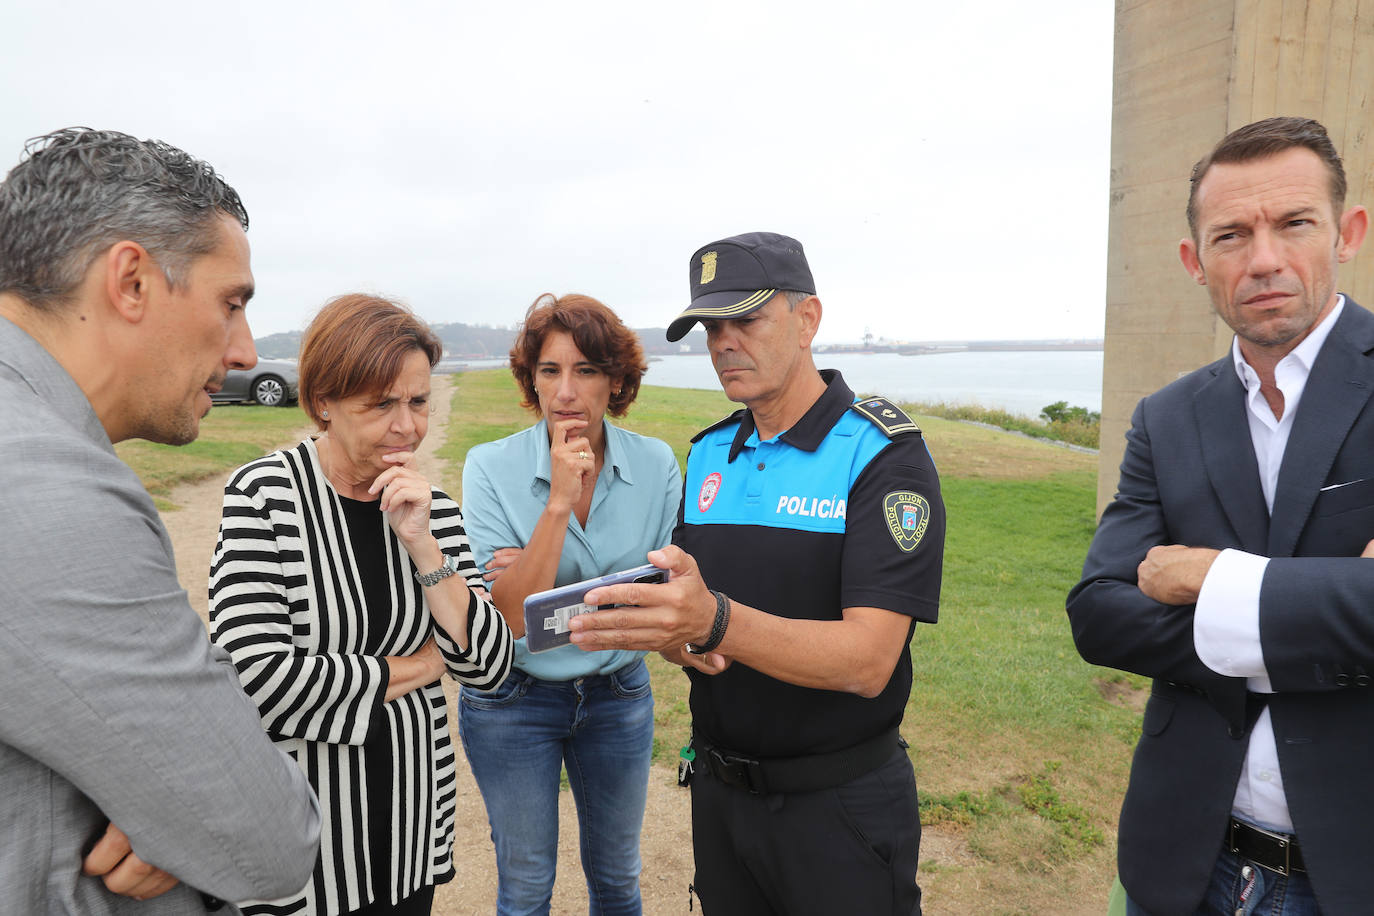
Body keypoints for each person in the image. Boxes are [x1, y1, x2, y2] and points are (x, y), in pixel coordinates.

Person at [565, 232, 945, 915]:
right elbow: (695, 610)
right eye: (712, 326)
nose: (723, 343)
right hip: (720, 801)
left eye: (747, 320)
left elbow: (868, 661)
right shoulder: (711, 454)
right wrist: (677, 637)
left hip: (839, 810)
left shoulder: (883, 455)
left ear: (808, 321)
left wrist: (715, 623)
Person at [0, 128, 320, 913]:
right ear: (132, 281)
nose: (246, 351)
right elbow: (267, 840)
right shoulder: (42, 484)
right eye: (231, 303)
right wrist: (183, 821)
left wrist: (170, 812)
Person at [1067, 116, 1374, 914]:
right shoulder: (1166, 418)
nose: (1263, 259)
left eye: (1294, 224)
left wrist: (1208, 579)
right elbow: (1100, 615)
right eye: (1231, 235)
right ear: (1194, 261)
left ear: (1348, 232)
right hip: (1185, 863)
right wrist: (1335, 612)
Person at [208, 294, 514, 916]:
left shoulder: (434, 511)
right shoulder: (265, 496)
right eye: (381, 405)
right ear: (323, 402)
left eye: (419, 402)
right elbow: (255, 678)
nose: (407, 426)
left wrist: (424, 548)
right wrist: (424, 667)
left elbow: (490, 664)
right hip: (306, 837)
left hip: (409, 828)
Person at [458, 293, 682, 915]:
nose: (566, 391)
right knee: (526, 887)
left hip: (618, 697)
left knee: (617, 879)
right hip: (513, 699)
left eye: (586, 370)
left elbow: (659, 593)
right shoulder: (489, 467)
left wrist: (536, 574)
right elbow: (504, 617)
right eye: (550, 370)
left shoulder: (657, 463)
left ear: (616, 381)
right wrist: (558, 503)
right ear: (531, 378)